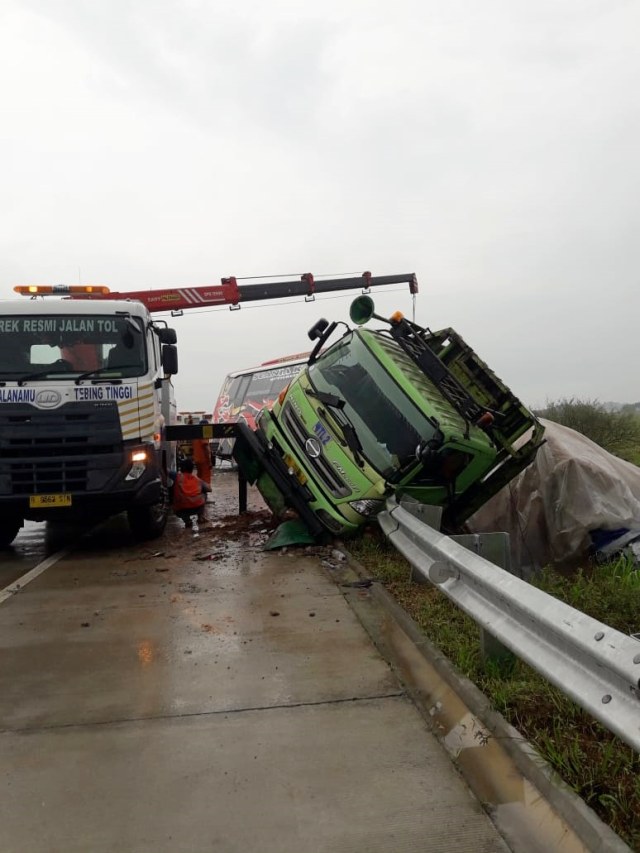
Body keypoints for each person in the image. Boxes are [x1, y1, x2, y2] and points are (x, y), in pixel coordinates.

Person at [172, 457, 211, 529]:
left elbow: (166, 470)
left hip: (182, 509)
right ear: (192, 469)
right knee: (204, 494)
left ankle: (187, 521)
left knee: (176, 498)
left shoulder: (177, 477)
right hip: (198, 507)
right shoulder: (197, 479)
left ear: (181, 468)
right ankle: (200, 517)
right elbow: (209, 489)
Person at [192, 418, 213, 491]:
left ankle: (199, 493)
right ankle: (205, 495)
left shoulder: (195, 436)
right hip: (204, 460)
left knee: (200, 478)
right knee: (206, 479)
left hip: (197, 460)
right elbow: (206, 448)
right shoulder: (203, 434)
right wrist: (210, 461)